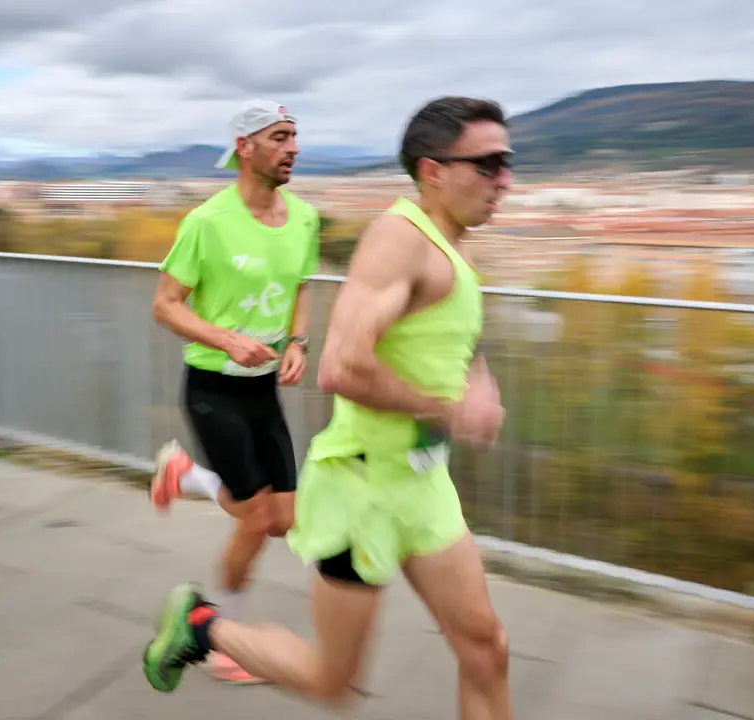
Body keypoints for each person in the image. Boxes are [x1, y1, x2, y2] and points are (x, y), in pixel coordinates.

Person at [141, 96, 514, 718]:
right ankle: (203, 626)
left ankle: (185, 484)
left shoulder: (451, 243)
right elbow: (344, 367)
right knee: (330, 682)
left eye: (508, 161)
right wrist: (452, 409)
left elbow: (329, 306)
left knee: (487, 649)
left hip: (421, 484)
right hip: (358, 489)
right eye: (489, 163)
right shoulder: (399, 239)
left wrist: (297, 341)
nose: (505, 178)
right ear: (433, 170)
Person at [148, 99, 320, 683]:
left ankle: (184, 474)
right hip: (212, 387)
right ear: (245, 147)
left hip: (262, 387)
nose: (293, 147)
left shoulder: (303, 219)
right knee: (253, 520)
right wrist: (225, 340)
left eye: (295, 135)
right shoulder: (206, 222)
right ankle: (224, 638)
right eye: (279, 137)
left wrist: (297, 341)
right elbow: (165, 306)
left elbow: (301, 285)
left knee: (283, 520)